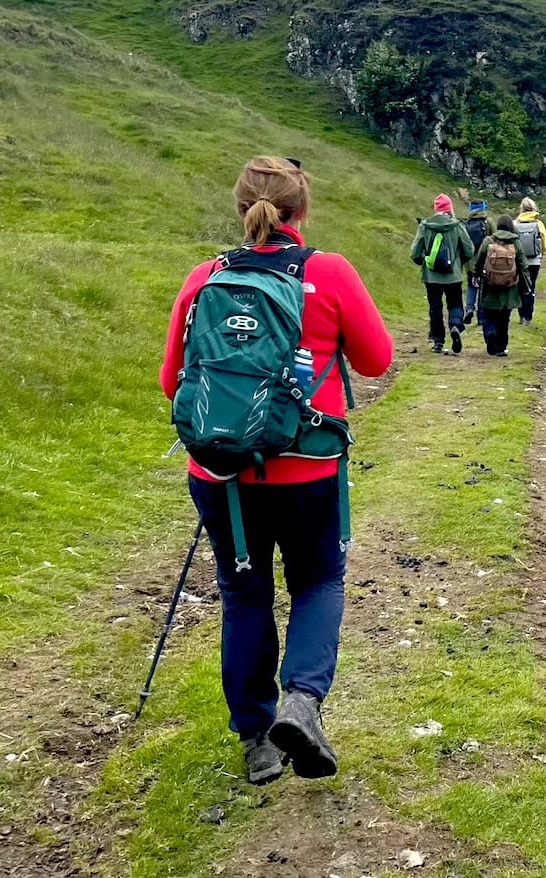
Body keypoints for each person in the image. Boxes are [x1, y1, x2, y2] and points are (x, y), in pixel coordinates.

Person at [159, 157, 393, 785]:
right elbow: (376, 361)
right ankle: (303, 702)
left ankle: (257, 740)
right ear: (302, 211)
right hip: (308, 471)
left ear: (242, 210)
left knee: (243, 594)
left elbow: (170, 382)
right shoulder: (331, 272)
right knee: (318, 579)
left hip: (222, 476)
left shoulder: (205, 277)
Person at [410, 193, 474, 354]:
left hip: (431, 277)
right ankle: (455, 325)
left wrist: (422, 261)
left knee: (435, 307)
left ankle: (438, 341)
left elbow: (415, 252)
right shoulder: (457, 226)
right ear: (449, 208)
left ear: (436, 209)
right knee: (455, 304)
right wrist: (459, 262)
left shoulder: (425, 226)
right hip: (453, 275)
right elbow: (469, 249)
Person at [471, 214, 529, 356]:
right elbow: (523, 265)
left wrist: (476, 275)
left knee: (489, 314)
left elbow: (478, 261)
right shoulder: (515, 242)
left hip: (490, 286)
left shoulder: (488, 240)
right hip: (510, 287)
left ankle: (490, 333)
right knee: (504, 318)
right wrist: (526, 284)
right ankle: (501, 347)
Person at [514, 196, 546, 325]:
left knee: (519, 288)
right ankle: (528, 317)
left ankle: (521, 315)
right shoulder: (538, 224)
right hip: (534, 261)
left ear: (521, 209)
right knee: (531, 287)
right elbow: (544, 244)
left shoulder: (515, 223)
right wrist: (542, 253)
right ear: (534, 208)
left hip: (519, 261)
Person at [460, 198, 491, 327]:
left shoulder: (465, 223)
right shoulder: (488, 222)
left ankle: (469, 309)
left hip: (470, 262)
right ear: (483, 207)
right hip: (485, 262)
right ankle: (481, 316)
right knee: (483, 288)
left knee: (471, 285)